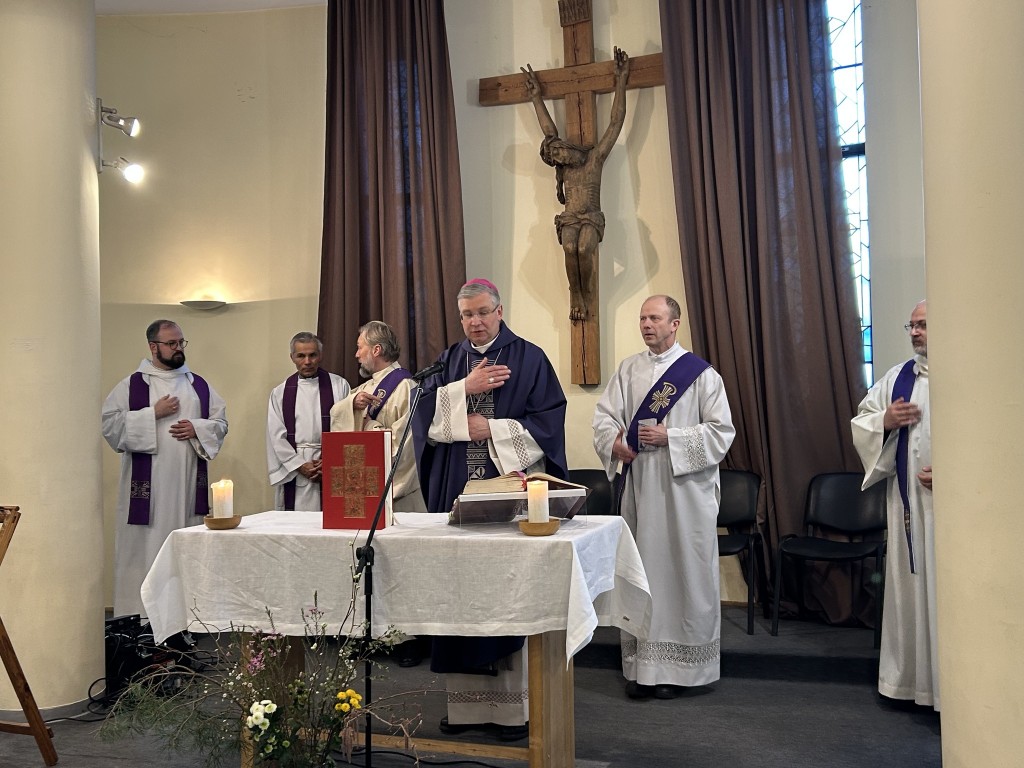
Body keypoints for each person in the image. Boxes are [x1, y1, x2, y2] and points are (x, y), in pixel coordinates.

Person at [413, 278, 568, 740]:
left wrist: (493, 429)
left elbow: (549, 423)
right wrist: (466, 386)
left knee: (505, 591)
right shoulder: (449, 361)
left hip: (508, 492)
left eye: (482, 312)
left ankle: (510, 713)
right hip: (456, 488)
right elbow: (423, 418)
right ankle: (466, 710)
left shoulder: (530, 358)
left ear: (499, 311)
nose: (475, 322)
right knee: (458, 591)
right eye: (467, 315)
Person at [592, 295, 735, 700]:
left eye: (654, 318)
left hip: (685, 494)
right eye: (642, 318)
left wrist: (670, 436)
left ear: (675, 324)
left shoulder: (702, 375)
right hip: (641, 488)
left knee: (682, 573)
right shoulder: (628, 370)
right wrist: (614, 442)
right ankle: (644, 669)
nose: (646, 324)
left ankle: (681, 672)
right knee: (643, 573)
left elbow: (721, 433)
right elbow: (604, 418)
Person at [102, 320, 228, 618]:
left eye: (181, 342)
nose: (178, 348)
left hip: (186, 488)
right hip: (148, 494)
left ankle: (184, 619)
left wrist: (197, 428)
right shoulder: (132, 385)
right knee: (145, 549)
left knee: (184, 546)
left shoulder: (198, 385)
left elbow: (220, 424)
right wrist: (151, 414)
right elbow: (110, 426)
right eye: (171, 343)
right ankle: (141, 619)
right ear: (153, 346)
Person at [851, 300, 937, 710]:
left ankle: (949, 690)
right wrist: (884, 421)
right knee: (910, 587)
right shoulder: (898, 377)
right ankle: (909, 683)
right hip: (907, 503)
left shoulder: (968, 374)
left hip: (956, 511)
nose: (915, 332)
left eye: (923, 325)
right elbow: (862, 420)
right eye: (912, 326)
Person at [521, 47, 630, 323]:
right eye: (554, 158)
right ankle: (576, 293)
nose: (558, 157)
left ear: (566, 146)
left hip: (591, 216)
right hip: (570, 218)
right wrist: (535, 98)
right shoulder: (566, 169)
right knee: (569, 247)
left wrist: (620, 81)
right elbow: (548, 133)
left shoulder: (595, 158)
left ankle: (586, 291)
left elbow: (615, 122)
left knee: (583, 248)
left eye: (558, 151)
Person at [329, 321, 426, 513]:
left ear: (376, 350)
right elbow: (337, 416)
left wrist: (369, 426)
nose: (357, 355)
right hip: (367, 494)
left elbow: (405, 448)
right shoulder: (364, 390)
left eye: (360, 347)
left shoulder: (407, 388)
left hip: (400, 499)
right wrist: (352, 406)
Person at [266, 332, 350, 511]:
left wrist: (331, 459)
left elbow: (349, 428)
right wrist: (299, 465)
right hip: (296, 469)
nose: (307, 361)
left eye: (312, 355)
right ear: (292, 357)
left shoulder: (339, 386)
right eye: (301, 356)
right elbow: (275, 436)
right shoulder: (280, 393)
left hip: (331, 466)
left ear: (321, 355)